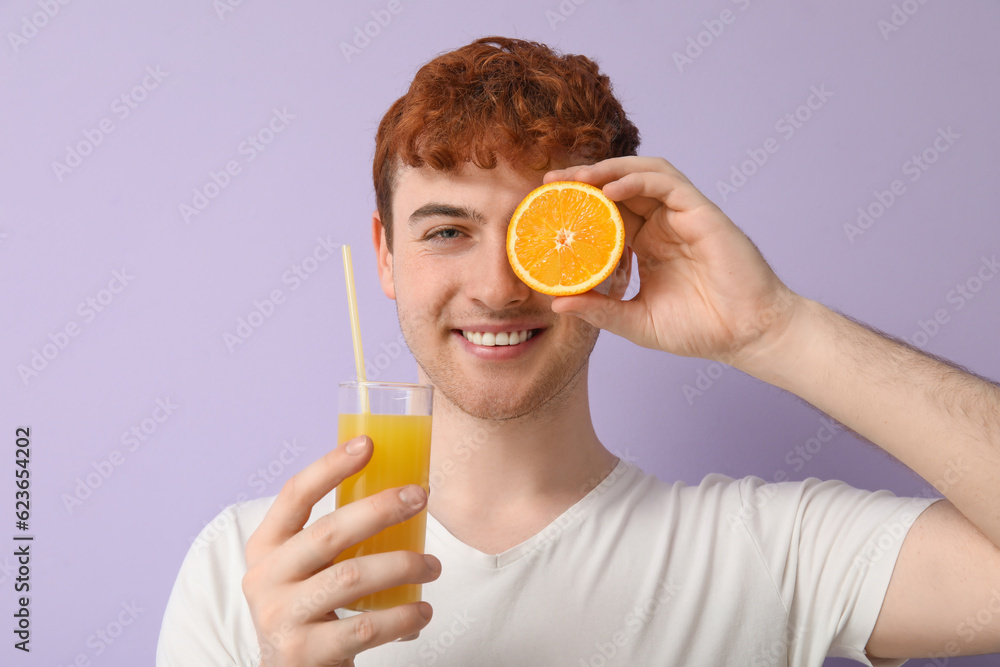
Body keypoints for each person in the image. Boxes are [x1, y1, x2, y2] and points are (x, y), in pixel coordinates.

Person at [156, 36, 1000, 666]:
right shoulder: (251, 570)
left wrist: (773, 327)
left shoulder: (762, 551)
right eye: (447, 229)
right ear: (384, 254)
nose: (495, 287)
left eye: (540, 234)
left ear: (614, 247)